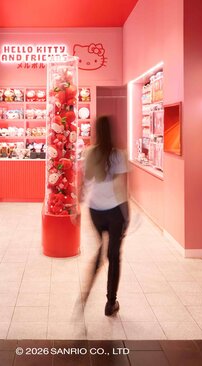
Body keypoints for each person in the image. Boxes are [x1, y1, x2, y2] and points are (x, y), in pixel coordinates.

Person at [81, 115, 129, 317]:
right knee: (114, 256)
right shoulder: (119, 155)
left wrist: (79, 204)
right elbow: (121, 188)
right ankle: (111, 303)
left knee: (102, 248)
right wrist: (126, 215)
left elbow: (86, 181)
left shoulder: (89, 153)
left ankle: (86, 292)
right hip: (114, 210)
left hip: (95, 210)